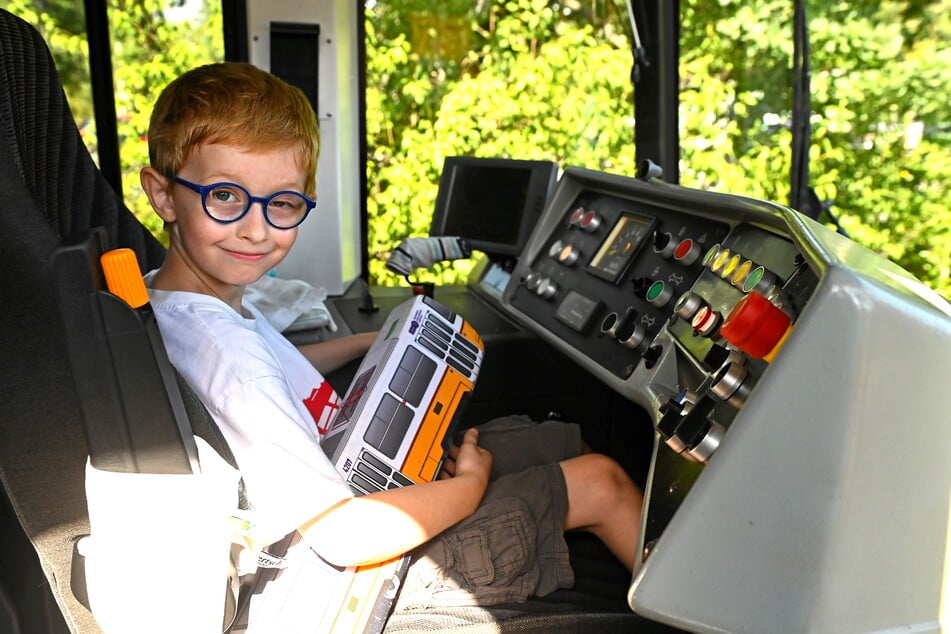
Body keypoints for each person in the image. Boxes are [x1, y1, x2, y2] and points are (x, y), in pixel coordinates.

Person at [140, 61, 643, 622]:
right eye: (226, 197)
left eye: (281, 204)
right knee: (602, 480)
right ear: (162, 196)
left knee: (555, 441)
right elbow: (344, 535)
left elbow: (274, 371)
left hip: (348, 479)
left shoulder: (180, 305)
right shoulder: (230, 358)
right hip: (348, 579)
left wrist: (364, 344)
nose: (256, 229)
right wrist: (469, 490)